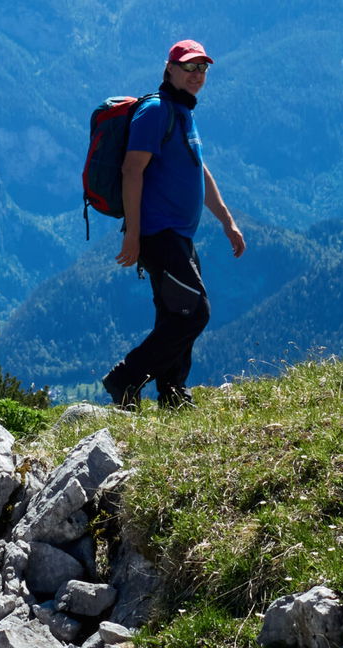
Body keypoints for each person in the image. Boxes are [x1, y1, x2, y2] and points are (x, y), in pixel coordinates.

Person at [101, 38, 246, 409]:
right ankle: (125, 378)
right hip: (157, 233)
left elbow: (199, 170)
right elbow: (132, 170)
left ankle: (172, 393)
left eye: (202, 68)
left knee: (176, 312)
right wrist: (133, 235)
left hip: (178, 235)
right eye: (188, 67)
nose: (196, 74)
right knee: (195, 313)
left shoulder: (183, 112)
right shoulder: (156, 111)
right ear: (169, 68)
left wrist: (227, 221)